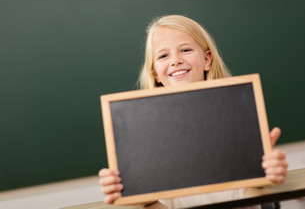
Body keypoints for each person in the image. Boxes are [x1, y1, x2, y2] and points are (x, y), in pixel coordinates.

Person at [99, 15, 288, 208]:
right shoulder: (143, 135)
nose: (175, 61)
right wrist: (140, 199)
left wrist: (265, 175)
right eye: (163, 56)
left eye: (185, 50)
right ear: (156, 74)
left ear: (207, 60)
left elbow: (253, 196)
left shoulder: (237, 117)